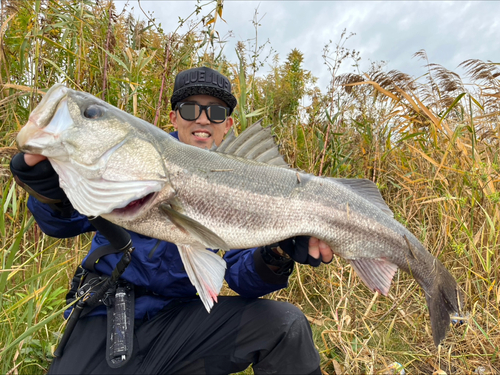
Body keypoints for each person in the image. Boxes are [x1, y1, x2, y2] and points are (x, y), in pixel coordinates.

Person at [10, 66, 333, 374]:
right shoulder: (126, 156)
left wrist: (277, 254)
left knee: (284, 323)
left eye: (216, 112)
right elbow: (59, 225)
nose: (203, 119)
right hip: (107, 312)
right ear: (174, 117)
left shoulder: (248, 181)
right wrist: (49, 190)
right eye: (191, 109)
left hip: (182, 319)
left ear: (229, 125)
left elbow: (241, 279)